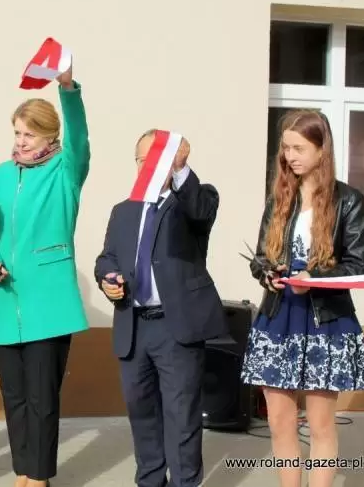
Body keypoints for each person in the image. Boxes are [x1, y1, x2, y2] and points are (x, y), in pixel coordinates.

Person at [240, 109, 364, 487]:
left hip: (325, 319)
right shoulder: (279, 199)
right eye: (285, 148)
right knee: (279, 422)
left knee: (320, 424)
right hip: (278, 316)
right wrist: (268, 274)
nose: (290, 156)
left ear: (322, 149)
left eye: (298, 148)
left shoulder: (350, 201)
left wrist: (313, 279)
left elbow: (355, 265)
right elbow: (261, 258)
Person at [0, 65, 89, 487]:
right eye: (17, 132)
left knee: (42, 397)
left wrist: (68, 87)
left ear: (50, 137)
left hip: (49, 302)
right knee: (15, 397)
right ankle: (23, 470)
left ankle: (39, 477)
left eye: (30, 134)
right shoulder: (2, 174)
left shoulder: (66, 169)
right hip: (6, 300)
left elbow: (79, 136)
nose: (20, 141)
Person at [94, 130, 226, 487]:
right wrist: (107, 277)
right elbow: (107, 257)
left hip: (176, 327)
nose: (148, 166)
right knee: (142, 414)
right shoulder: (123, 211)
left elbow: (201, 211)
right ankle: (150, 481)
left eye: (157, 159)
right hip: (133, 326)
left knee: (182, 417)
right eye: (143, 160)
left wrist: (180, 167)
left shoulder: (192, 202)